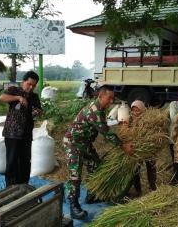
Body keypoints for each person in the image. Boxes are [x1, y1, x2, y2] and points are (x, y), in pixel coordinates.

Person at [63, 85, 134, 219]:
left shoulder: (100, 109)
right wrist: (123, 146)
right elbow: (106, 133)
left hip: (85, 143)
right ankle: (74, 206)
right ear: (100, 96)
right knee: (75, 175)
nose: (111, 102)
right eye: (109, 98)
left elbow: (105, 127)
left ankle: (91, 195)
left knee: (96, 166)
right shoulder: (93, 111)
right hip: (73, 143)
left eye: (113, 99)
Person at [0, 71, 42, 186]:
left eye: (34, 85)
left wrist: (35, 111)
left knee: (25, 161)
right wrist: (18, 98)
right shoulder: (14, 90)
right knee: (12, 161)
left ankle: (23, 186)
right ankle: (11, 188)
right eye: (29, 84)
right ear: (23, 82)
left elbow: (38, 110)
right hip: (12, 133)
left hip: (26, 134)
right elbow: (2, 97)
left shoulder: (34, 97)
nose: (31, 87)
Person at [122, 100, 156, 197]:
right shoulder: (129, 120)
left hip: (147, 148)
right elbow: (124, 135)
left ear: (143, 110)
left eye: (138, 110)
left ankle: (153, 188)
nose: (135, 113)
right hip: (135, 150)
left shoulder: (148, 121)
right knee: (135, 169)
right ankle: (137, 190)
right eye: (133, 110)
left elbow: (152, 135)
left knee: (151, 167)